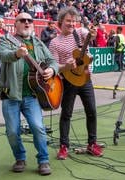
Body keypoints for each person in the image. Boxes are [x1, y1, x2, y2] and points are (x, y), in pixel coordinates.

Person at [0, 12, 59, 175]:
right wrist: (17, 54)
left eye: (29, 20)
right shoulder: (6, 39)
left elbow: (52, 61)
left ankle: (43, 160)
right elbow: (2, 55)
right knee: (12, 131)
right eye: (22, 20)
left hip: (32, 95)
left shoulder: (37, 42)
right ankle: (20, 158)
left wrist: (52, 70)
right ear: (15, 24)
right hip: (11, 95)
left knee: (38, 127)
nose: (26, 23)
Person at [49, 7, 103, 160]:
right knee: (66, 114)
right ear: (60, 22)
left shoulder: (80, 33)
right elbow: (54, 66)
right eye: (68, 21)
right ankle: (63, 146)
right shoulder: (55, 43)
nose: (71, 23)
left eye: (73, 21)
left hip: (85, 79)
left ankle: (92, 144)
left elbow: (90, 35)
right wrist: (66, 65)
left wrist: (93, 33)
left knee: (92, 111)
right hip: (68, 81)